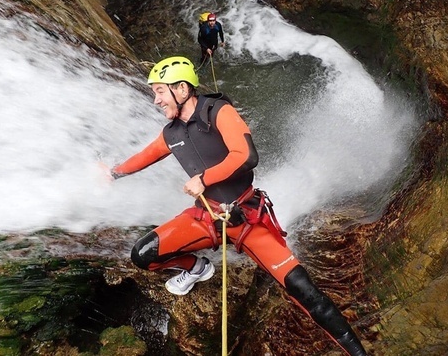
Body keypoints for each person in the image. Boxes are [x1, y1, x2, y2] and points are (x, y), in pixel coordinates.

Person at [103, 56, 368, 356]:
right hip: (206, 217)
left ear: (181, 88)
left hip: (245, 219)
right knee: (143, 255)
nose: (156, 100)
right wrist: (113, 173)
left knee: (305, 290)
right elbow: (146, 155)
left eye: (160, 92)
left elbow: (246, 156)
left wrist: (204, 178)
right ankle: (196, 268)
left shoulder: (218, 111)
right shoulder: (172, 133)